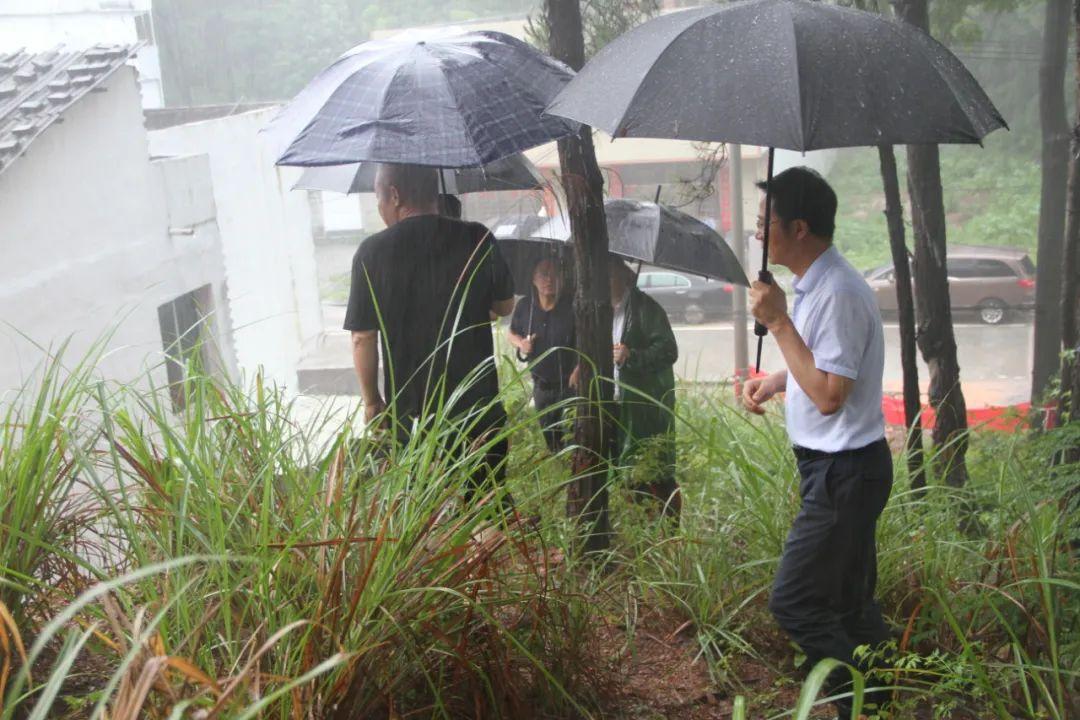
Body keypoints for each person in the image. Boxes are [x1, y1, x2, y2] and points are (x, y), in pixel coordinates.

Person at [742, 167, 891, 719]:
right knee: (850, 604)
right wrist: (777, 380)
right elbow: (824, 366)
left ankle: (862, 698)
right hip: (840, 469)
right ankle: (877, 703)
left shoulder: (837, 292)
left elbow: (830, 395)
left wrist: (779, 323)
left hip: (843, 472)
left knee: (796, 602)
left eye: (766, 222)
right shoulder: (815, 286)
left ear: (798, 227)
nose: (760, 233)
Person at [344, 163, 515, 503]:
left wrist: (372, 403)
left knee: (427, 514)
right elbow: (505, 306)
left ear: (394, 195)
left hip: (413, 417)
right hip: (478, 408)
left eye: (378, 197)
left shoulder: (371, 252)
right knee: (484, 504)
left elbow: (362, 337)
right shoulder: (477, 236)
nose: (379, 208)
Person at [597, 257, 680, 519]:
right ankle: (636, 525)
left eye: (611, 275)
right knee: (623, 470)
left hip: (643, 405)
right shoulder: (599, 310)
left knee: (653, 471)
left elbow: (668, 350)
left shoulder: (646, 309)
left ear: (625, 276)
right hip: (615, 402)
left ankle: (667, 527)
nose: (606, 282)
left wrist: (632, 356)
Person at [508, 257, 575, 452]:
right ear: (533, 278)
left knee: (572, 442)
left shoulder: (571, 305)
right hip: (542, 387)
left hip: (570, 386)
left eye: (555, 275)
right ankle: (559, 475)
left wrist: (579, 368)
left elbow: (585, 342)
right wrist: (521, 343)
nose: (549, 280)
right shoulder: (525, 307)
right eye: (544, 274)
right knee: (552, 443)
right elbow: (511, 333)